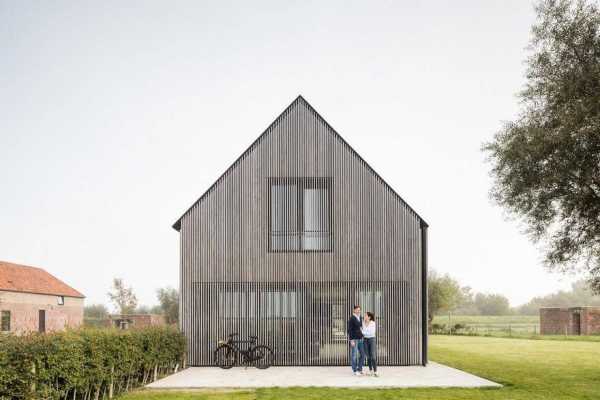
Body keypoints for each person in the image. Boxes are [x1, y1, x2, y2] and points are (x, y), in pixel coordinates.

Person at [347, 305, 365, 376]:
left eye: (359, 310)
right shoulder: (352, 318)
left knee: (363, 354)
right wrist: (351, 340)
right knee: (354, 355)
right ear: (354, 310)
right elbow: (349, 330)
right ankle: (355, 370)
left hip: (360, 339)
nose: (358, 311)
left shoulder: (360, 317)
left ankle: (359, 369)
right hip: (354, 339)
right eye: (357, 310)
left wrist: (362, 335)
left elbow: (360, 327)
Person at [362, 312, 378, 376]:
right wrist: (365, 332)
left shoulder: (373, 323)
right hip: (365, 340)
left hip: (372, 339)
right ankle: (370, 370)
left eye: (365, 315)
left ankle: (375, 371)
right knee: (368, 357)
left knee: (373, 356)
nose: (364, 316)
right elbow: (363, 332)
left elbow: (372, 332)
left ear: (369, 317)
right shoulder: (363, 323)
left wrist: (364, 332)